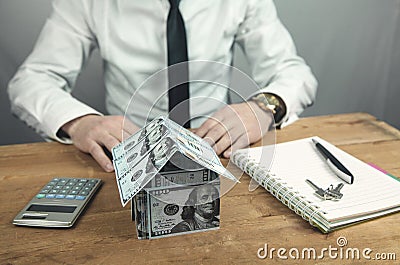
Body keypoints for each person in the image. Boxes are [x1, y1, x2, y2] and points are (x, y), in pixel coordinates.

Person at [7, 0, 317, 172]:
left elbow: (294, 72)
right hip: (127, 157)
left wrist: (263, 108)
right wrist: (80, 122)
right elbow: (30, 81)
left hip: (222, 152)